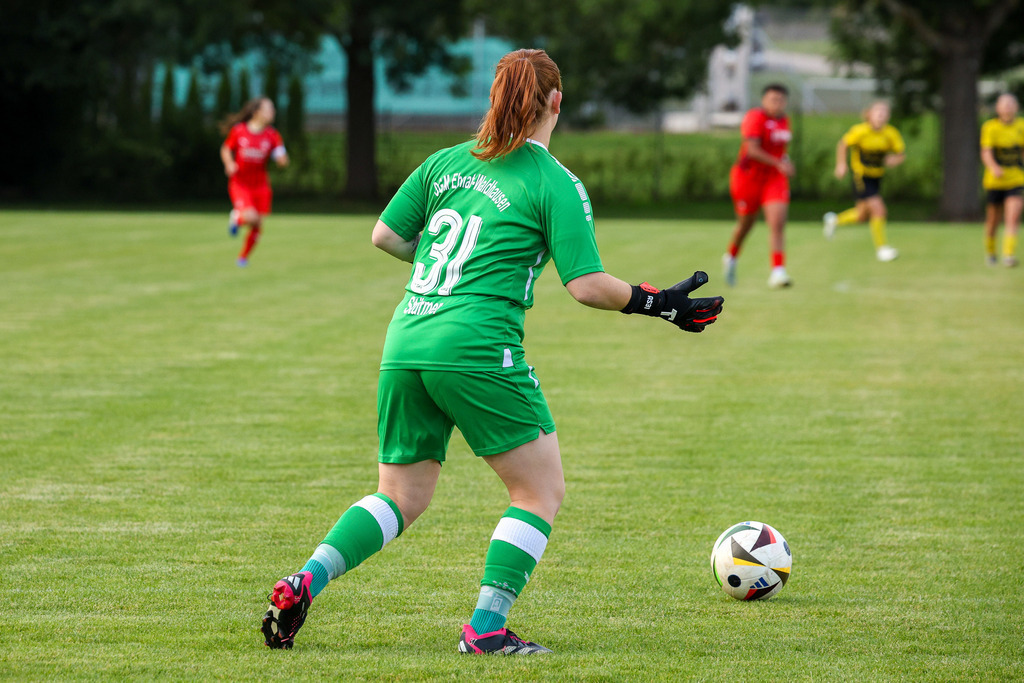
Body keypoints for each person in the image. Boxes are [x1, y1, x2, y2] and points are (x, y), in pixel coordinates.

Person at [259, 49, 724, 656]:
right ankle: (486, 628)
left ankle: (306, 580)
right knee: (539, 492)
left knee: (399, 494)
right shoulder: (553, 179)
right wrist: (658, 302)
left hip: (407, 338)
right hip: (476, 347)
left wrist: (439, 273)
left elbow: (386, 234)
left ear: (495, 97)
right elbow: (585, 285)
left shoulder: (446, 162)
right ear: (556, 103)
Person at [722, 83, 795, 289]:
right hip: (748, 178)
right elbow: (752, 150)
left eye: (780, 100)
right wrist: (780, 163)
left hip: (774, 178)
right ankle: (731, 257)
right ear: (764, 100)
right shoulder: (755, 117)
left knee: (777, 221)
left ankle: (778, 271)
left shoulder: (784, 121)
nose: (777, 103)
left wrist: (785, 162)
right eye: (773, 99)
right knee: (746, 224)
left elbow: (780, 150)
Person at [822, 101, 905, 262]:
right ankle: (882, 249)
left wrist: (894, 160)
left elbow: (900, 154)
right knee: (879, 210)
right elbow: (843, 144)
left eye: (884, 112)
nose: (881, 115)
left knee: (861, 216)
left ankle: (834, 220)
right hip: (861, 176)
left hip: (877, 177)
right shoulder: (860, 131)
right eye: (878, 111)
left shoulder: (890, 133)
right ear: (869, 114)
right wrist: (841, 164)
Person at [219, 97, 289, 267]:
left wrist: (281, 159)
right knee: (250, 216)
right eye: (269, 109)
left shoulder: (272, 135)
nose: (273, 112)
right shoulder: (239, 131)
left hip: (260, 185)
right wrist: (229, 164)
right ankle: (236, 217)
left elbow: (283, 158)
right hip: (241, 183)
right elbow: (226, 148)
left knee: (257, 223)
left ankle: (243, 258)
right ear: (257, 112)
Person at [979, 93, 1024, 267]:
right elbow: (986, 151)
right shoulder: (990, 127)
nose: (1008, 107)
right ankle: (991, 253)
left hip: (1016, 179)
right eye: (1004, 104)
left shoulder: (1021, 126)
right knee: (992, 221)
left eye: (1011, 104)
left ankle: (1008, 255)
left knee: (1012, 217)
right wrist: (994, 167)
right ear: (997, 108)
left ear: (1016, 107)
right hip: (995, 181)